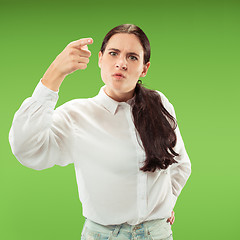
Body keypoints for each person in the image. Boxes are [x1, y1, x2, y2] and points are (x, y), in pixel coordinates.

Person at [9, 24, 191, 240]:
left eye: (132, 57)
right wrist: (54, 74)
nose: (121, 63)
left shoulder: (159, 103)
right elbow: (26, 148)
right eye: (114, 53)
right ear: (100, 59)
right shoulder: (77, 115)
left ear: (144, 68)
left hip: (158, 234)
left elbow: (179, 163)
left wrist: (165, 203)